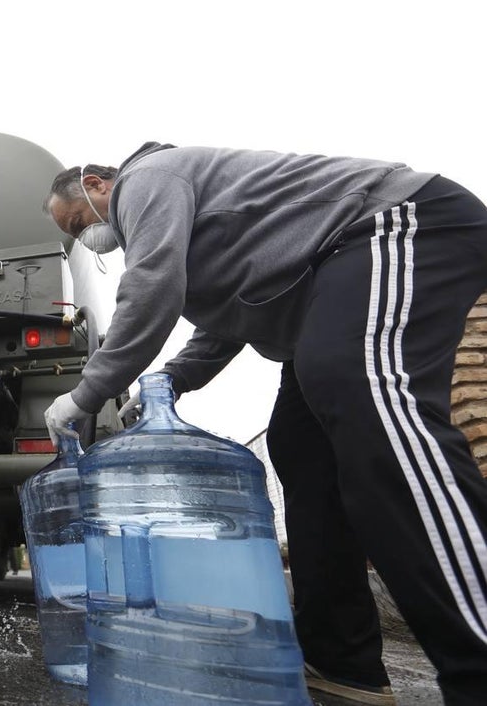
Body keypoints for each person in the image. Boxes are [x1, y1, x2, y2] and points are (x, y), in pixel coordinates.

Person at [41, 144, 487, 705]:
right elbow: (231, 318)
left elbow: (152, 286)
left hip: (391, 225)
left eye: (78, 223)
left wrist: (85, 394)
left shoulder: (147, 178)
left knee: (361, 389)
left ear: (96, 184)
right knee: (301, 446)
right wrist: (174, 379)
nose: (88, 238)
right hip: (324, 289)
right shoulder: (197, 231)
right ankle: (342, 661)